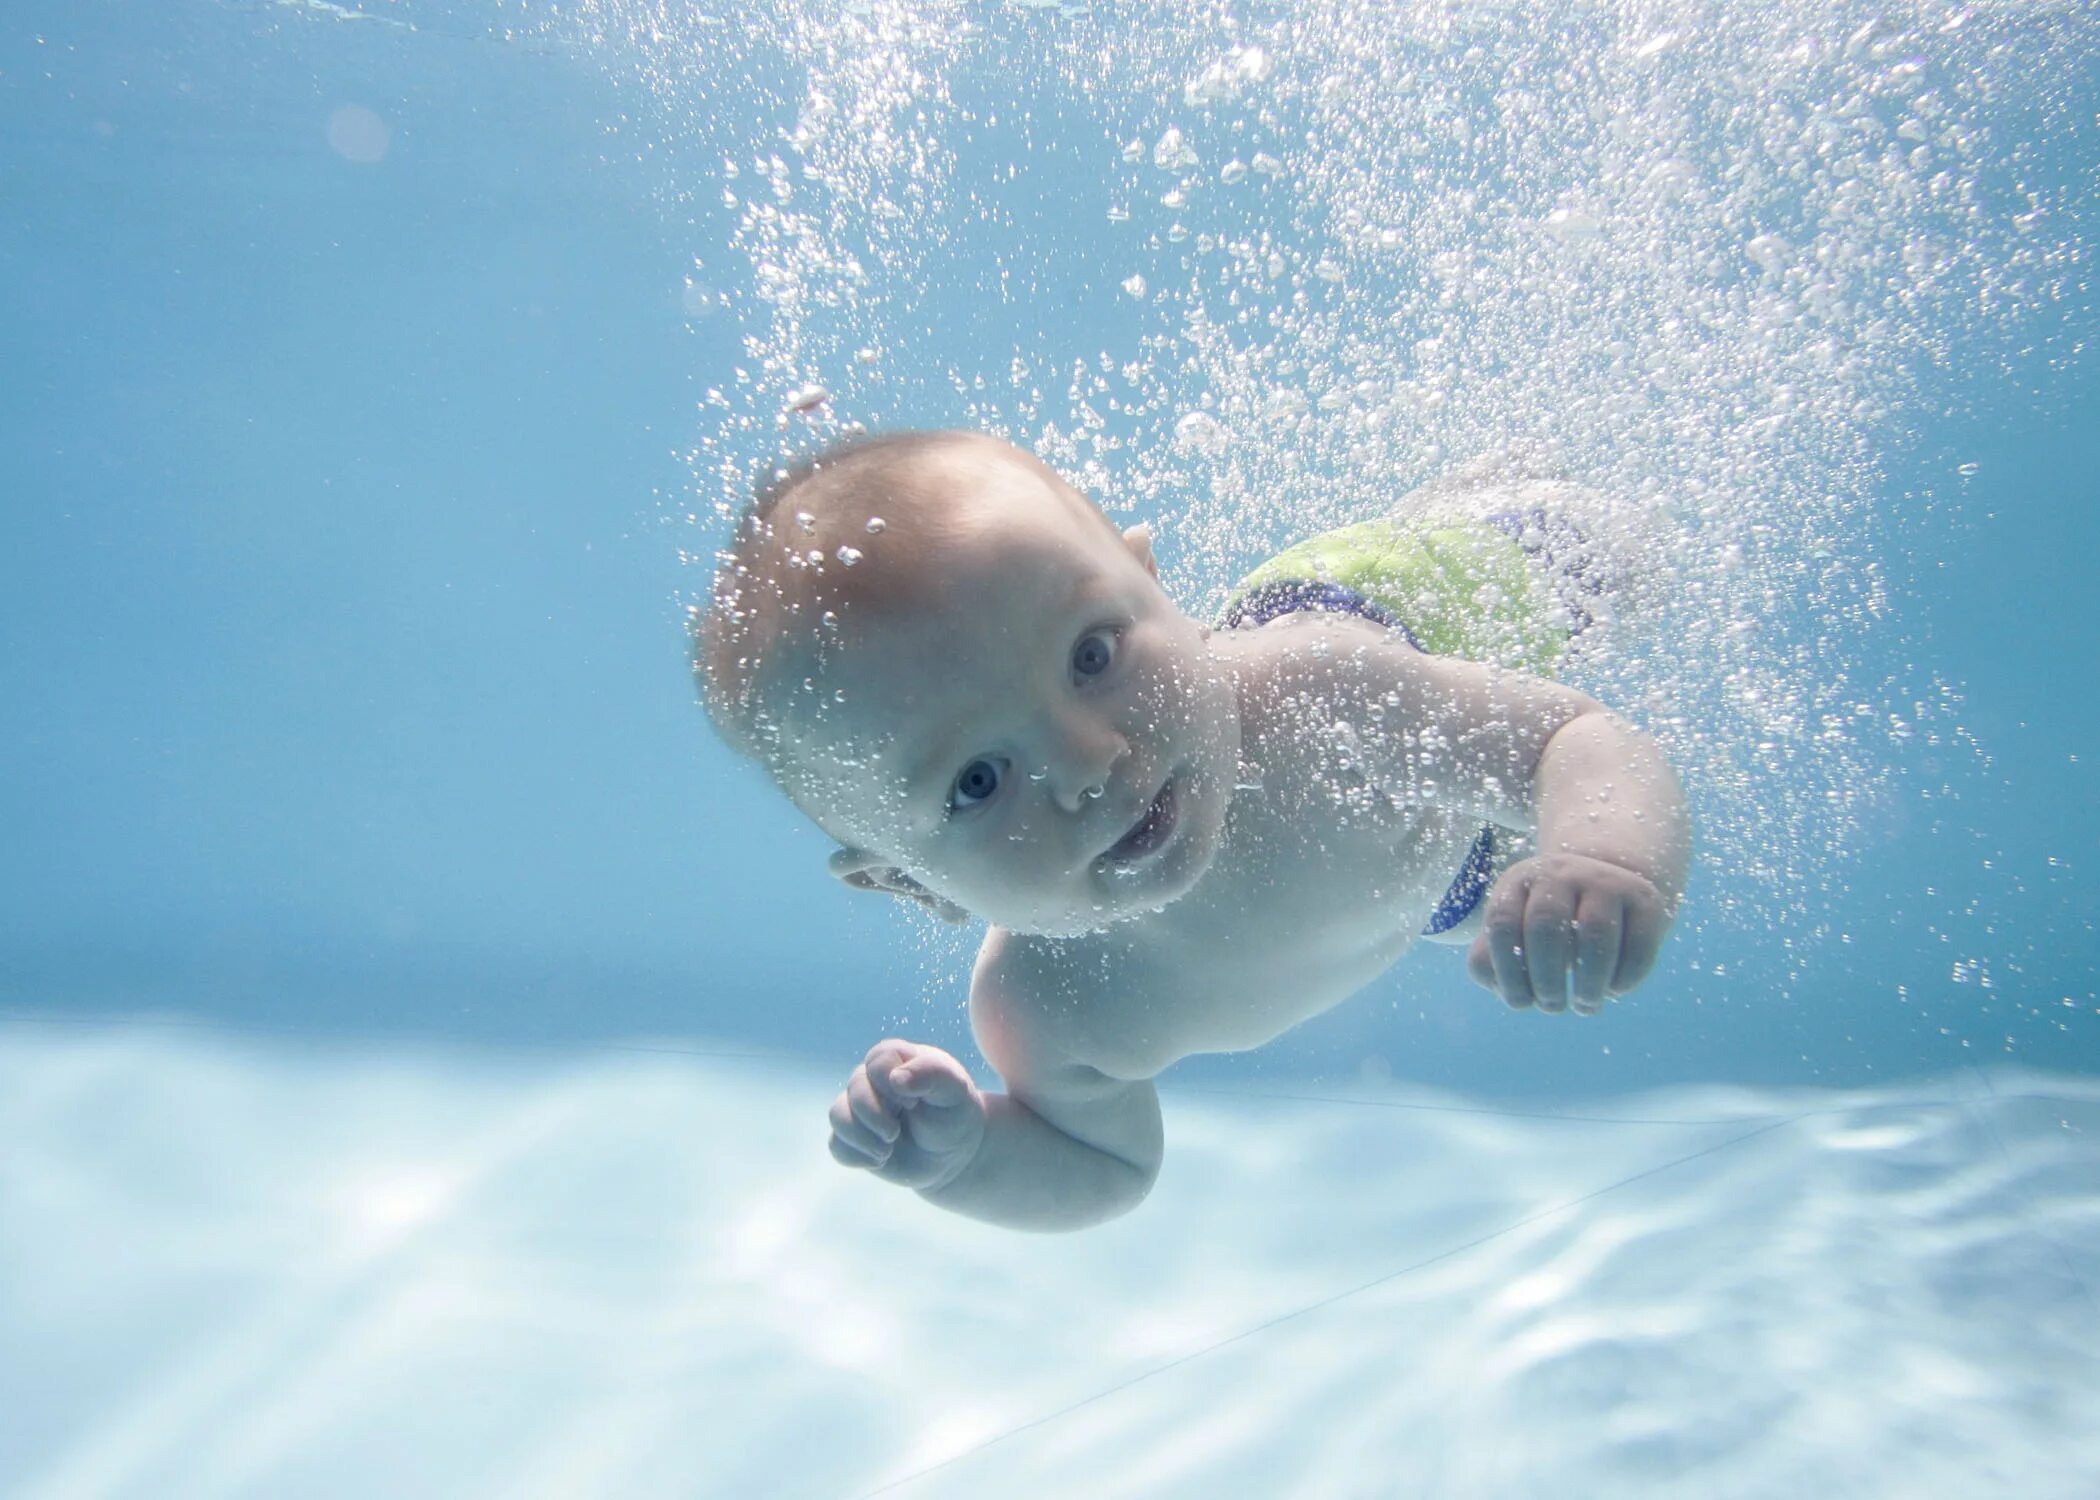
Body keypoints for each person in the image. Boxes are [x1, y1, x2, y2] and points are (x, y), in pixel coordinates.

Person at [697, 429, 1689, 1232]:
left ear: (1154, 587)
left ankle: (1490, 484)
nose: (1089, 763)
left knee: (1613, 551)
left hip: (1420, 606)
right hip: (1430, 871)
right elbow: (1104, 1166)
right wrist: (964, 1161)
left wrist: (1599, 854)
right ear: (912, 883)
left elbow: (1577, 738)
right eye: (979, 780)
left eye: (1092, 654)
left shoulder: (1325, 699)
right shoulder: (1052, 1010)